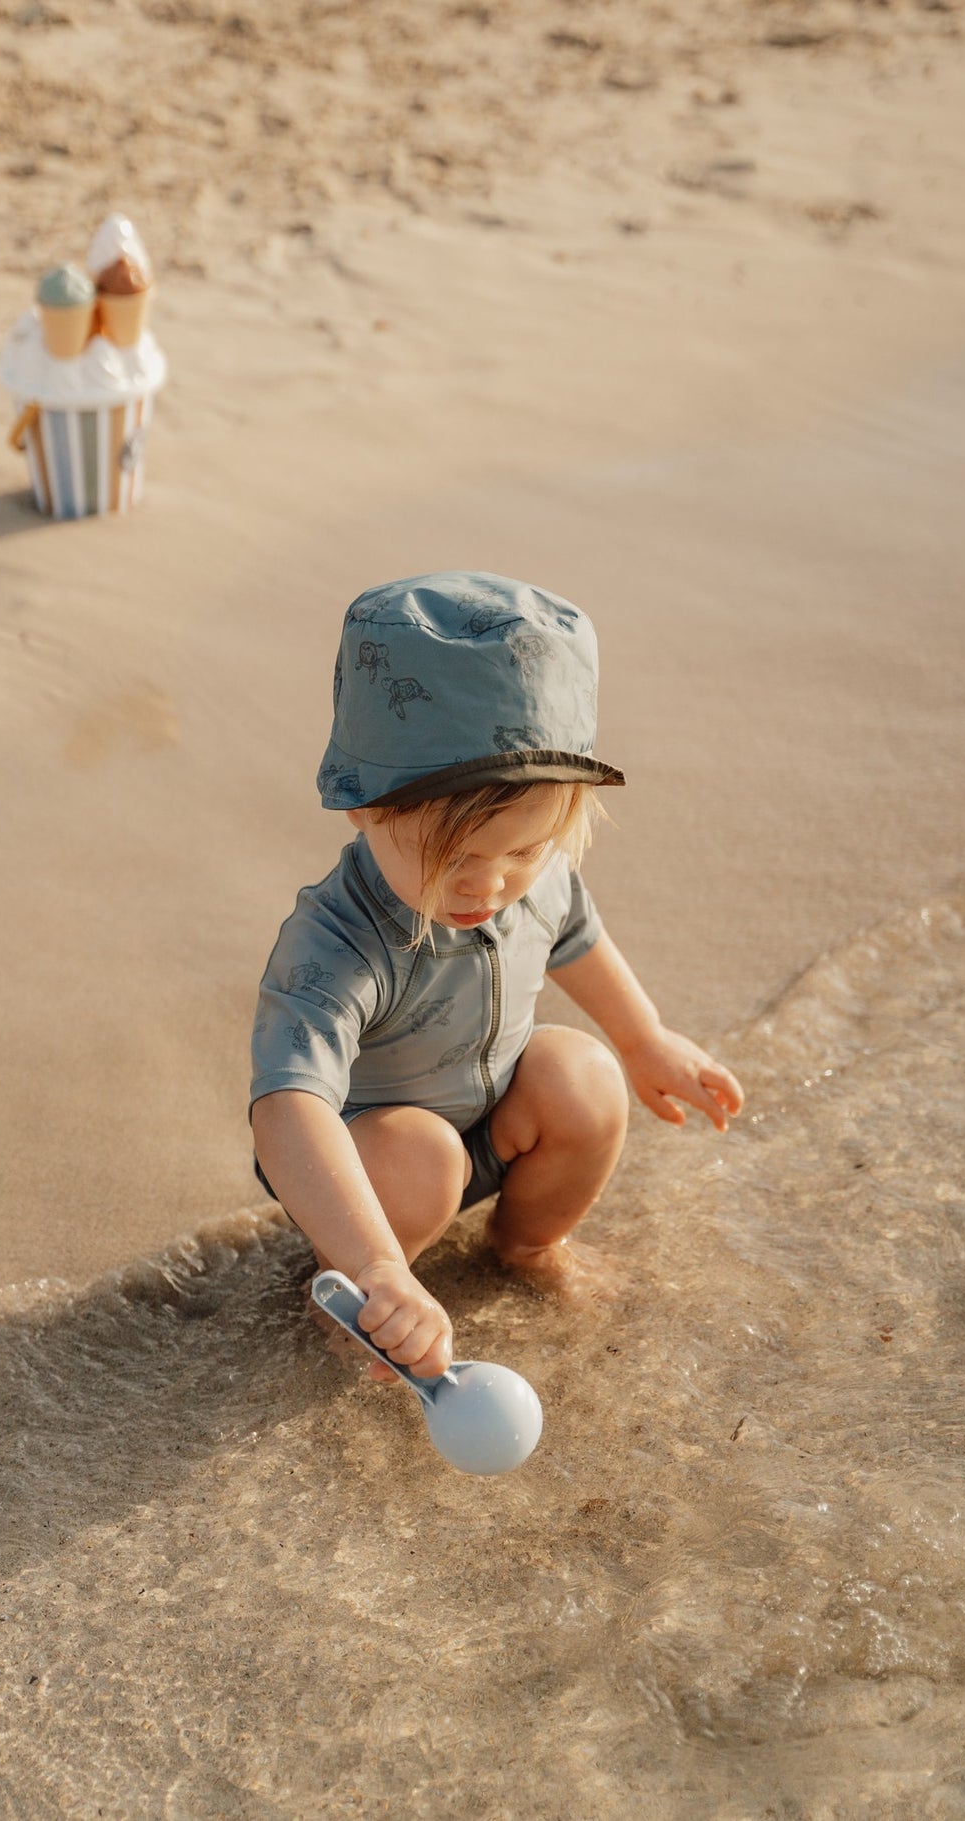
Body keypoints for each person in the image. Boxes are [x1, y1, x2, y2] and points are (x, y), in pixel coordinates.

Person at [249, 571, 743, 1383]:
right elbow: (287, 1108)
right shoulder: (337, 940)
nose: (490, 885)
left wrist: (643, 1038)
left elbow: (576, 935)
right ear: (363, 805)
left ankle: (525, 1243)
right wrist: (375, 1264)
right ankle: (363, 1298)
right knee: (423, 1157)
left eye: (523, 851)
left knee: (584, 1077)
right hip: (368, 1171)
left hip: (491, 1120)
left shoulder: (532, 883)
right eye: (456, 859)